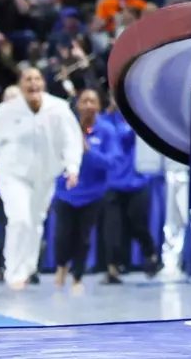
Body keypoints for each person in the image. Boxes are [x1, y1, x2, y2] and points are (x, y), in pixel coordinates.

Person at [0, 66, 84, 289]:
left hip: (45, 175)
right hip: (12, 174)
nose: (33, 83)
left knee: (35, 222)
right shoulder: (6, 110)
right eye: (28, 79)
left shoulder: (58, 109)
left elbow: (71, 140)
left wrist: (72, 167)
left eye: (37, 78)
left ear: (43, 84)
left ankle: (28, 267)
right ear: (21, 85)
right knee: (19, 219)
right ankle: (13, 272)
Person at [51, 88, 110, 293]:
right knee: (62, 236)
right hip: (65, 192)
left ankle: (77, 276)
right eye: (84, 101)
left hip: (92, 195)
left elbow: (111, 162)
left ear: (99, 106)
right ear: (77, 105)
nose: (88, 106)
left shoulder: (106, 130)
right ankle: (61, 268)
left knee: (84, 238)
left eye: (92, 101)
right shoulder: (66, 127)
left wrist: (89, 151)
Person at [98, 102, 160, 282]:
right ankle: (113, 269)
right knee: (113, 228)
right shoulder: (107, 122)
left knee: (138, 225)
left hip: (137, 183)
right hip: (113, 184)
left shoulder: (142, 120)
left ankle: (150, 255)